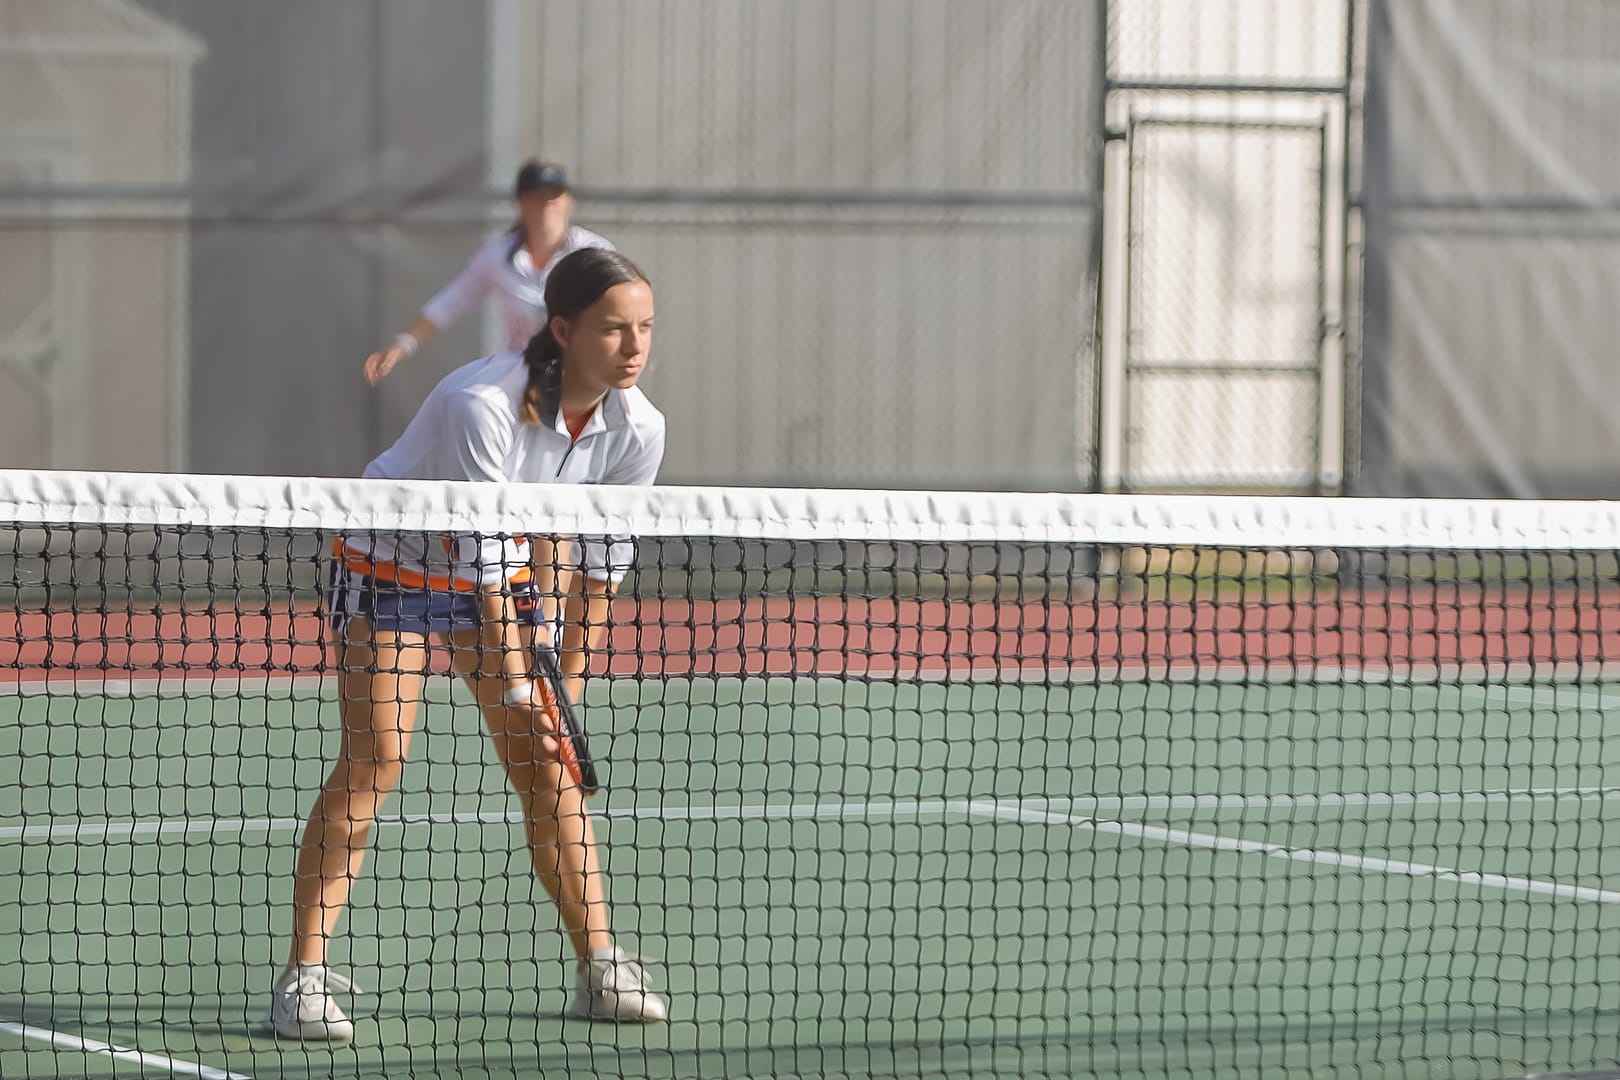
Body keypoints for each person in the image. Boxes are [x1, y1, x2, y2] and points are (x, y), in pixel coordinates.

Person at [265, 248, 667, 1041]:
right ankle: (301, 981)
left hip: (504, 568)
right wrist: (522, 681)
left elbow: (598, 562)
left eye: (646, 327)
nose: (635, 346)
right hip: (394, 563)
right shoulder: (484, 402)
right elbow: (483, 555)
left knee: (550, 769)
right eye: (614, 328)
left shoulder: (638, 428)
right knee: (377, 756)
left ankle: (600, 968)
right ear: (563, 329)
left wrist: (565, 689)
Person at [363, 159, 613, 386]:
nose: (547, 203)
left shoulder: (593, 251)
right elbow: (451, 302)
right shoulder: (498, 256)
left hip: (584, 377)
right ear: (521, 203)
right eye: (537, 195)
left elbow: (621, 305)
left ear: (567, 200)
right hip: (525, 381)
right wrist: (403, 345)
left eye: (554, 194)